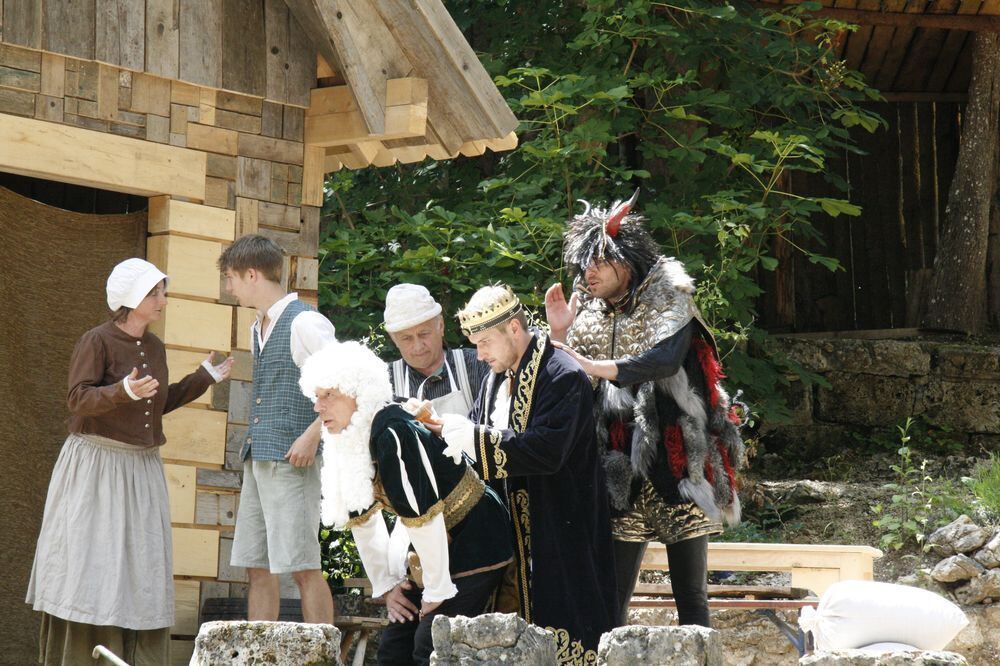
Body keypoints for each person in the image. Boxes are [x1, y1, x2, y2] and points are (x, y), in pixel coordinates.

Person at [544, 191, 746, 627]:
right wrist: (560, 334)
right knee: (610, 599)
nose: (588, 272)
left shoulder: (669, 293)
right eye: (584, 264)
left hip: (678, 463)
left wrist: (597, 364)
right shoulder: (591, 311)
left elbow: (665, 360)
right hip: (618, 469)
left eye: (598, 261)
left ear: (625, 260)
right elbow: (569, 385)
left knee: (691, 600)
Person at [26, 258, 232, 665]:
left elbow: (158, 404)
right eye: (155, 294)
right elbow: (77, 399)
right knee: (94, 564)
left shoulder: (154, 346)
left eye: (162, 292)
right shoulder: (96, 341)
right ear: (131, 298)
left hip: (141, 469)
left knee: (140, 566)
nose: (163, 301)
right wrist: (122, 391)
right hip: (97, 467)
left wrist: (203, 377)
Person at [298, 340, 512, 665]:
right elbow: (363, 518)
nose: (318, 407)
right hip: (431, 551)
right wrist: (388, 586)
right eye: (317, 397)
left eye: (329, 395)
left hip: (477, 540)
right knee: (394, 649)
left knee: (431, 643)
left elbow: (422, 516)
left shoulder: (392, 431)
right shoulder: (347, 436)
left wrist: (438, 591)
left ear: (357, 392)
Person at [435, 285, 618, 665]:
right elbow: (477, 435)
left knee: (568, 633)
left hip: (560, 527)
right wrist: (441, 427)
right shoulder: (495, 378)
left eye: (485, 342)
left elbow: (546, 451)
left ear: (514, 329)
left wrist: (475, 437)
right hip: (511, 538)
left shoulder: (562, 375)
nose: (480, 354)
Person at [218, 235, 337, 624]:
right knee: (257, 566)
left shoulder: (305, 321)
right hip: (260, 458)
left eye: (231, 278)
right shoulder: (258, 327)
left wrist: (313, 434)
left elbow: (344, 383)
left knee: (303, 568)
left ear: (252, 274)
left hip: (293, 461)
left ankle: (324, 655)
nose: (228, 288)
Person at [383, 283, 489, 418]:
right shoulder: (386, 382)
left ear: (441, 326)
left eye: (424, 334)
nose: (418, 346)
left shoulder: (478, 364)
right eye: (406, 338)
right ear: (394, 340)